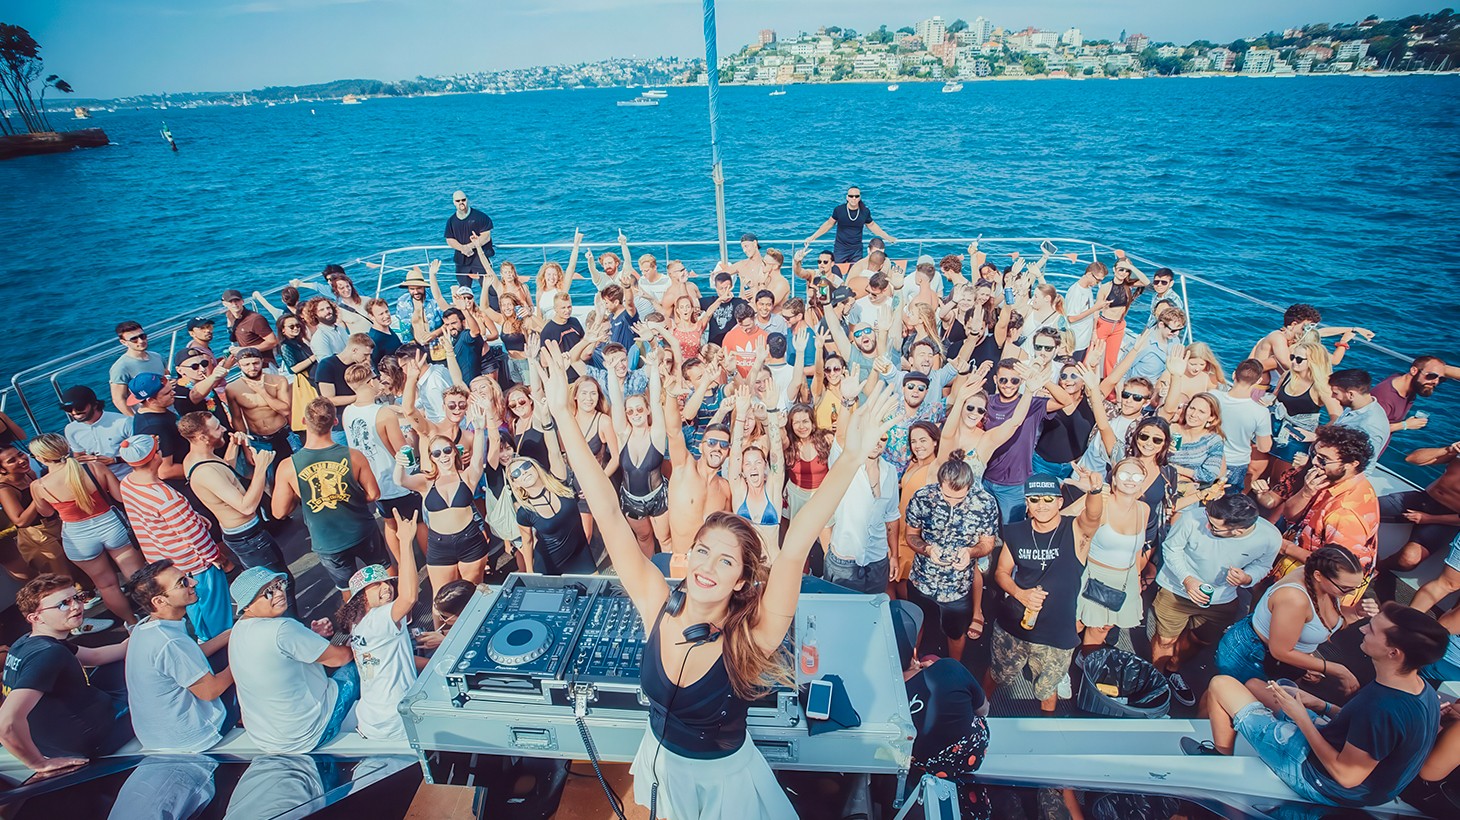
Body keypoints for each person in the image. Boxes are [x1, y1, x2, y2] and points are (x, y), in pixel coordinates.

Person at [540, 339, 896, 820]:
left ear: (743, 580)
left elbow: (795, 547)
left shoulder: (753, 637)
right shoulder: (656, 603)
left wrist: (851, 457)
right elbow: (605, 508)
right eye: (704, 551)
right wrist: (562, 415)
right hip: (661, 765)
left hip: (722, 786)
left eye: (726, 562)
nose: (707, 567)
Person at [1188, 604, 1446, 811]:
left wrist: (1301, 718)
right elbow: (1366, 732)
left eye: (1373, 630)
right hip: (1357, 773)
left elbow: (1346, 776)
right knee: (1256, 686)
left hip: (1322, 782)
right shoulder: (1420, 690)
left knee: (1221, 684)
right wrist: (1321, 705)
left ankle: (1218, 765)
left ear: (1394, 653)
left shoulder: (1382, 708)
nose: (1363, 629)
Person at [1151, 495, 1281, 706]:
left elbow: (1263, 565)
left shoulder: (1270, 537)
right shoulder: (1191, 518)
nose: (1206, 525)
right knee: (1165, 639)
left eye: (1214, 526)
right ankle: (1156, 679)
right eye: (1208, 516)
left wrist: (1248, 577)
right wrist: (1187, 579)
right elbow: (1171, 548)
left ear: (1237, 531)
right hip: (1176, 590)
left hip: (1222, 599)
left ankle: (1173, 669)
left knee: (1200, 640)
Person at [0, 574, 132, 775]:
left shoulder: (26, 642)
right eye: (63, 604)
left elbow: (95, 656)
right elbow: (5, 723)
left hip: (57, 736)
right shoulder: (49, 654)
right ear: (35, 618)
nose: (76, 606)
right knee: (150, 679)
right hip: (96, 738)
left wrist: (138, 636)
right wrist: (38, 764)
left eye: (77, 598)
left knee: (124, 662)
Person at [988, 473, 1097, 714]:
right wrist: (1020, 594)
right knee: (996, 675)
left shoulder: (1074, 530)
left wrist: (1095, 491)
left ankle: (1047, 727)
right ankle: (976, 715)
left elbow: (1093, 516)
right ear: (1027, 503)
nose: (1042, 505)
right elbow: (1001, 572)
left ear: (1060, 502)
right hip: (1014, 625)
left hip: (1056, 632)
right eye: (1035, 499)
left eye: (1048, 499)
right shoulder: (1016, 532)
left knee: (1047, 690)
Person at [228, 566, 359, 754]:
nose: (279, 593)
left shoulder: (238, 630)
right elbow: (341, 658)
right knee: (359, 661)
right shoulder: (282, 629)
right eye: (268, 592)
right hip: (309, 734)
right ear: (247, 606)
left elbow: (279, 655)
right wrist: (359, 638)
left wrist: (312, 637)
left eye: (279, 585)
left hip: (265, 738)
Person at [118, 433, 235, 641]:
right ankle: (223, 647)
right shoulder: (165, 497)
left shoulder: (127, 484)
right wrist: (218, 558)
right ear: (155, 456)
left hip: (166, 564)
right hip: (195, 565)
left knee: (194, 611)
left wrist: (191, 516)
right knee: (217, 618)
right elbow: (194, 536)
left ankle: (205, 641)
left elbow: (156, 518)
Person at [181, 411, 297, 613]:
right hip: (248, 537)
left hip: (241, 535)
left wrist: (234, 446)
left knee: (274, 584)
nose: (223, 429)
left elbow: (224, 473)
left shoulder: (197, 458)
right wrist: (261, 468)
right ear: (202, 437)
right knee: (279, 587)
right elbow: (246, 506)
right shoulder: (205, 471)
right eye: (217, 428)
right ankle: (292, 625)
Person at [1214, 545, 1368, 695]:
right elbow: (1280, 651)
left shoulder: (1322, 583)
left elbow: (1321, 620)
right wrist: (1337, 670)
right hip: (1252, 657)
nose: (1351, 593)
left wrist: (1355, 611)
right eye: (1345, 588)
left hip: (1275, 660)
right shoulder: (1294, 599)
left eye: (1357, 586)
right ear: (1318, 576)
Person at [272, 398, 386, 596]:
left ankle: (357, 615)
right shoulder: (354, 455)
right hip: (361, 529)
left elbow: (278, 512)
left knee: (347, 589)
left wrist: (301, 497)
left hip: (327, 541)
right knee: (382, 571)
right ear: (335, 422)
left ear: (304, 421)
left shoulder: (288, 467)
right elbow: (374, 494)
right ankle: (398, 609)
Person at [27, 434, 143, 627]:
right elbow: (120, 497)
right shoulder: (94, 467)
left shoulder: (39, 486)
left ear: (41, 457)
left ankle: (131, 623)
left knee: (106, 585)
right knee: (137, 574)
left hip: (78, 537)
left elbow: (46, 512)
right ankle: (158, 613)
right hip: (112, 525)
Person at [892, 600, 992, 820]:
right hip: (971, 754)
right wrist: (939, 670)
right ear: (914, 652)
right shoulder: (949, 667)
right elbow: (983, 710)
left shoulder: (885, 698)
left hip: (921, 763)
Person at [124, 559, 237, 752]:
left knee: (229, 650)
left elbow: (192, 656)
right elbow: (210, 691)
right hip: (195, 736)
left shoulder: (145, 628)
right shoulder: (170, 641)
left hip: (156, 735)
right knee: (251, 658)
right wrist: (243, 659)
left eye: (187, 577)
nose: (193, 583)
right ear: (159, 601)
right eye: (182, 583)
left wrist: (232, 633)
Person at [904, 452, 1001, 661]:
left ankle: (952, 669)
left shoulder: (985, 503)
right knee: (916, 625)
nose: (953, 502)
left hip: (958, 587)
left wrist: (970, 552)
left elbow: (987, 543)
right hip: (921, 580)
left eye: (960, 497)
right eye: (947, 496)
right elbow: (911, 535)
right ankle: (910, 665)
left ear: (970, 486)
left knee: (955, 633)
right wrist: (927, 549)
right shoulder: (923, 497)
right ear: (939, 484)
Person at [335, 510, 420, 741]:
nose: (387, 587)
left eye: (388, 582)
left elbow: (395, 659)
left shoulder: (358, 625)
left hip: (372, 718)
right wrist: (405, 543)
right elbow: (409, 596)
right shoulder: (379, 619)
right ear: (360, 597)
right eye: (377, 585)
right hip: (396, 720)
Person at [396, 403, 491, 589]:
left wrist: (480, 430)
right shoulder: (425, 481)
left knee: (474, 591)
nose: (443, 456)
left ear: (454, 451)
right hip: (439, 545)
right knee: (441, 597)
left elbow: (478, 461)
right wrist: (399, 463)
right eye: (437, 453)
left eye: (447, 450)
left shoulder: (467, 477)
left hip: (470, 540)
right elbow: (400, 480)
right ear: (431, 457)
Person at [1275, 424, 1379, 576]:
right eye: (1314, 454)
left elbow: (1339, 568)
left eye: (1323, 460)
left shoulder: (1345, 514)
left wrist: (1287, 548)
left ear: (1352, 464)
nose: (1314, 462)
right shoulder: (1331, 478)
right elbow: (1289, 515)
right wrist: (1306, 493)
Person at [341, 364, 421, 561]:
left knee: (390, 523)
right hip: (396, 479)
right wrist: (411, 437)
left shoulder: (347, 412)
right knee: (418, 522)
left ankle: (403, 565)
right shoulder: (383, 413)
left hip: (372, 481)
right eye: (376, 378)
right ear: (370, 382)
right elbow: (402, 450)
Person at [1074, 457, 1152, 649]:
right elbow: (1065, 521)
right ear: (1114, 479)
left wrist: (1137, 577)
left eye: (1137, 476)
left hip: (1125, 579)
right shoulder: (1102, 502)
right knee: (1077, 624)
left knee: (1103, 628)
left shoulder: (1144, 509)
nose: (1130, 479)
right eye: (1124, 474)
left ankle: (1086, 663)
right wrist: (1091, 492)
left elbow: (1136, 549)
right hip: (1094, 575)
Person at [608, 349, 671, 557]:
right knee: (644, 538)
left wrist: (653, 367)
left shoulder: (656, 434)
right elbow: (616, 402)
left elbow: (656, 400)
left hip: (658, 497)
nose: (635, 414)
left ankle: (670, 572)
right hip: (631, 499)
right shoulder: (623, 435)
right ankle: (649, 571)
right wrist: (611, 372)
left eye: (639, 409)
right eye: (630, 411)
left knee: (665, 539)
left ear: (647, 411)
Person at [824, 429, 900, 595]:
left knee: (874, 607)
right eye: (872, 435)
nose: (877, 442)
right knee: (842, 608)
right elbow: (841, 434)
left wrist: (894, 555)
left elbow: (892, 516)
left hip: (878, 560)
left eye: (883, 438)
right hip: (844, 560)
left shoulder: (890, 471)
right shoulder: (844, 465)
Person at [1211, 358, 1273, 492]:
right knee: (1228, 500)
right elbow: (1264, 447)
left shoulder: (1213, 396)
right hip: (1236, 464)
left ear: (1234, 375)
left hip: (1208, 457)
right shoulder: (1261, 412)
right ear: (1258, 381)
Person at [225, 347, 295, 458]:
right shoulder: (232, 388)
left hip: (284, 434)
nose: (252, 368)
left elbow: (285, 410)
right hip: (258, 439)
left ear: (262, 361)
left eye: (256, 363)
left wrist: (262, 392)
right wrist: (246, 449)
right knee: (266, 468)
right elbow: (237, 419)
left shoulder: (278, 381)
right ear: (239, 365)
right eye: (246, 365)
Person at [802, 186, 897, 263]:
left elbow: (872, 226)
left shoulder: (865, 211)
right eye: (851, 196)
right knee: (837, 273)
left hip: (856, 250)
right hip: (840, 249)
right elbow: (828, 224)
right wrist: (812, 237)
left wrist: (887, 237)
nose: (854, 198)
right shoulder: (839, 210)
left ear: (860, 197)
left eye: (856, 196)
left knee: (855, 274)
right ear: (847, 197)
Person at [127, 373, 188, 489]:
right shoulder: (155, 427)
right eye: (167, 393)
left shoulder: (151, 412)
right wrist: (202, 469)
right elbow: (165, 471)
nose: (173, 393)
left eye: (171, 389)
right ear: (151, 400)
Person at [62, 384, 134, 480]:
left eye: (79, 407)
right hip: (98, 479)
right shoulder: (70, 429)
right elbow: (79, 455)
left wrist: (115, 460)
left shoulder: (124, 422)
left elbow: (144, 452)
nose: (74, 412)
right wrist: (85, 459)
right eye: (68, 409)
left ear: (95, 405)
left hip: (128, 475)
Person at [315, 333, 375, 445]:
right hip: (339, 425)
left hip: (361, 419)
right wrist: (360, 397)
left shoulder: (359, 365)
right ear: (354, 350)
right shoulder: (327, 365)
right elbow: (329, 399)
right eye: (366, 355)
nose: (368, 358)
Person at [1330, 369, 1391, 470]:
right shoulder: (1354, 407)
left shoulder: (1370, 425)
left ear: (1351, 394)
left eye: (1335, 393)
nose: (1332, 396)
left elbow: (1366, 466)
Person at [1373, 355, 1450, 432]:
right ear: (1413, 371)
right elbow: (1371, 429)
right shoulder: (1385, 398)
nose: (1436, 382)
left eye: (1441, 379)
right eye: (1432, 376)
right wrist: (1405, 425)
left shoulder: (1406, 382)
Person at [108, 320, 165, 416]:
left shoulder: (157, 356)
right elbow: (118, 399)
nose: (141, 341)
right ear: (123, 342)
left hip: (168, 406)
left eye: (142, 336)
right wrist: (134, 419)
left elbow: (165, 375)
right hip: (148, 414)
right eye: (134, 339)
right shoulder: (120, 367)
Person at [221, 289, 279, 367]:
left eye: (237, 300)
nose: (234, 304)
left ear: (242, 301)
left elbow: (273, 342)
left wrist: (244, 350)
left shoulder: (255, 319)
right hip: (247, 365)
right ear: (224, 304)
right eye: (230, 301)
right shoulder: (231, 317)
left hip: (263, 364)